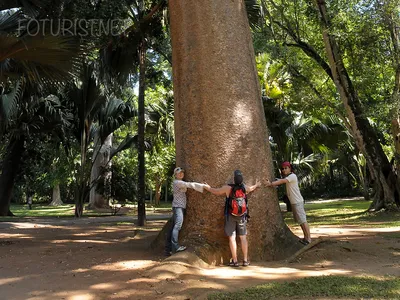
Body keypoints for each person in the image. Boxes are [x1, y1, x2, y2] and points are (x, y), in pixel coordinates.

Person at [204, 170, 261, 267]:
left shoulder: (228, 188)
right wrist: (257, 185)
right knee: (243, 238)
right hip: (242, 216)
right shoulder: (244, 188)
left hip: (230, 215)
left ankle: (234, 261)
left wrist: (207, 187)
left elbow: (216, 191)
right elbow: (251, 189)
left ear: (234, 179)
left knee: (232, 238)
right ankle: (245, 260)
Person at [265, 161, 311, 245]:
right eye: (282, 169)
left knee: (303, 220)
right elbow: (282, 180)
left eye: (286, 168)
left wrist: (270, 184)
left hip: (297, 202)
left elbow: (282, 181)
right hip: (294, 202)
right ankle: (305, 237)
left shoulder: (292, 176)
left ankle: (308, 239)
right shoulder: (289, 177)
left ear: (290, 168)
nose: (284, 170)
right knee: (300, 221)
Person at [165, 167, 208, 256]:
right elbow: (189, 185)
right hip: (178, 207)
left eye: (182, 173)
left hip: (178, 207)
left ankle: (168, 248)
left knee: (173, 226)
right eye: (179, 173)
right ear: (175, 175)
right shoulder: (177, 182)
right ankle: (175, 247)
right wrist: (203, 186)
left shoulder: (179, 183)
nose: (181, 174)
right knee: (177, 226)